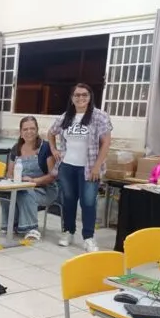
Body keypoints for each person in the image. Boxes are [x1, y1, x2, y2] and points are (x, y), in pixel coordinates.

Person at [47, 83, 112, 252]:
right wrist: (54, 149)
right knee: (68, 201)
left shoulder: (99, 116)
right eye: (77, 95)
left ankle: (88, 238)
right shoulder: (65, 117)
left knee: (88, 202)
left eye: (84, 95)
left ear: (90, 97)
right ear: (72, 98)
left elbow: (106, 143)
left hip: (90, 167)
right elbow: (50, 133)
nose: (80, 98)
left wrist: (97, 166)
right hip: (67, 166)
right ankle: (68, 232)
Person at [0, 116, 58, 241]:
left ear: (37, 131)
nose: (29, 132)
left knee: (26, 193)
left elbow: (52, 175)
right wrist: (17, 180)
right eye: (25, 129)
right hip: (21, 185)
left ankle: (31, 228)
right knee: (5, 193)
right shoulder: (16, 148)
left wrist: (34, 181)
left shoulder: (45, 148)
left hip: (45, 189)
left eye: (32, 128)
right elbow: (9, 173)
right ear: (20, 132)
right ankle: (10, 225)